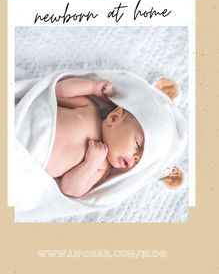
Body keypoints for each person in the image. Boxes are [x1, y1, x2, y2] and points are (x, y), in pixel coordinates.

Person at [44, 77, 184, 197]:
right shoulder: (89, 109)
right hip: (30, 117)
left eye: (138, 161)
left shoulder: (101, 167)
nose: (135, 158)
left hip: (30, 157)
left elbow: (69, 189)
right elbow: (59, 92)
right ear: (115, 117)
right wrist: (91, 87)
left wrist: (90, 164)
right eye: (138, 145)